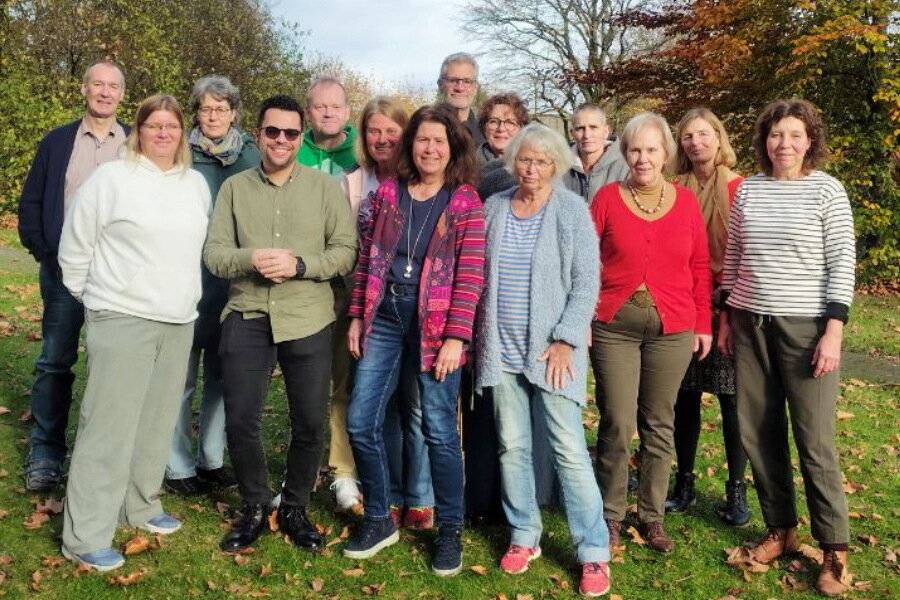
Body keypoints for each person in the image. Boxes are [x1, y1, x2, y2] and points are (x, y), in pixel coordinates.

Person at [58, 94, 210, 571]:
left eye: (171, 126)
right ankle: (85, 535)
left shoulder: (195, 185)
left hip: (178, 318)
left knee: (156, 420)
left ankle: (140, 504)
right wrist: (101, 301)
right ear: (138, 130)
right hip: (121, 315)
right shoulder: (111, 180)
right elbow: (75, 246)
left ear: (181, 133)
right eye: (153, 125)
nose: (162, 133)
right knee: (108, 426)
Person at [203, 95, 357, 554]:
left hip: (307, 315)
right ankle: (253, 505)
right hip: (248, 312)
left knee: (310, 420)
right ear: (259, 133)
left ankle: (295, 506)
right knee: (242, 418)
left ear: (301, 135)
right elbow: (213, 254)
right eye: (273, 132)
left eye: (291, 133)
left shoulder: (326, 189)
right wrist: (251, 259)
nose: (282, 141)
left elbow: (346, 252)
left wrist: (301, 264)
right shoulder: (234, 189)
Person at [718, 99, 855, 597]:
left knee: (814, 440)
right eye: (776, 135)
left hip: (806, 329)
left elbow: (842, 263)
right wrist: (728, 316)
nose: (785, 144)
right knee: (759, 430)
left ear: (809, 140)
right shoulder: (749, 191)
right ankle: (781, 529)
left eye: (795, 135)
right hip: (751, 324)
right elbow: (734, 257)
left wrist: (834, 330)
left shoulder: (827, 191)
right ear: (764, 141)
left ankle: (834, 549)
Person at [343, 104, 485, 577]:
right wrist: (358, 317)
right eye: (423, 140)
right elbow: (368, 261)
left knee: (439, 430)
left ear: (452, 149)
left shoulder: (464, 203)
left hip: (436, 326)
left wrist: (456, 338)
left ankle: (449, 531)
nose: (430, 148)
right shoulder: (387, 194)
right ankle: (381, 517)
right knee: (362, 418)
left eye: (439, 142)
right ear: (412, 145)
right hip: (384, 316)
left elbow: (470, 278)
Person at [476, 123, 610, 596]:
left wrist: (565, 339)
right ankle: (523, 534)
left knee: (569, 450)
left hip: (554, 353)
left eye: (542, 161)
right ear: (513, 161)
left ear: (556, 165)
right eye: (525, 160)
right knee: (512, 447)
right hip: (501, 349)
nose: (532, 169)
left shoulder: (572, 211)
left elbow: (586, 284)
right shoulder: (494, 207)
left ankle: (593, 550)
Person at [591, 112, 712, 554]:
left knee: (659, 423)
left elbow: (699, 266)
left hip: (672, 329)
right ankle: (611, 514)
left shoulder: (685, 203)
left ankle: (653, 515)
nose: (643, 158)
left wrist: (703, 324)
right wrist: (584, 317)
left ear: (666, 154)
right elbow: (585, 262)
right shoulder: (606, 198)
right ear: (625, 153)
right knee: (618, 423)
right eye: (635, 150)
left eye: (652, 150)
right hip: (613, 328)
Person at [17, 61, 128, 492]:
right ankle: (45, 452)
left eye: (113, 86)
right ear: (85, 89)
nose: (104, 92)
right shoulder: (57, 142)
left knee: (110, 367)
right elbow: (32, 202)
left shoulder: (134, 145)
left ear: (122, 94)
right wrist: (45, 251)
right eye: (97, 84)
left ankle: (97, 456)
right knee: (55, 361)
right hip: (63, 273)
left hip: (116, 278)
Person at [334, 97, 435, 527]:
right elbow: (352, 250)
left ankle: (420, 494)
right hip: (367, 304)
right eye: (373, 131)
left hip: (417, 307)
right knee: (372, 402)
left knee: (414, 404)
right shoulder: (353, 183)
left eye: (391, 131)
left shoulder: (422, 181)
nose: (382, 139)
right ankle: (385, 487)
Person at [164, 74, 261, 497]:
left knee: (223, 378)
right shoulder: (180, 154)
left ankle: (212, 458)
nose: (214, 116)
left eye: (222, 108)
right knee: (180, 378)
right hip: (185, 278)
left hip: (233, 282)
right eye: (206, 108)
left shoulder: (252, 156)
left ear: (235, 113)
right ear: (196, 112)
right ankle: (177, 463)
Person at [664, 108, 748, 525]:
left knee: (733, 400)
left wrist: (731, 304)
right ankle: (685, 481)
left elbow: (748, 250)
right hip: (685, 302)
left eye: (703, 134)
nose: (696, 143)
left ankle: (737, 489)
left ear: (719, 136)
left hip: (728, 304)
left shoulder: (739, 187)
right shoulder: (672, 187)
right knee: (684, 397)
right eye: (687, 137)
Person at [562, 103, 629, 204]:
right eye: (580, 128)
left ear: (606, 131)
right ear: (572, 133)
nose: (587, 135)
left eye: (593, 127)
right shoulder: (559, 168)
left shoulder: (626, 167)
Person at [475, 92, 529, 200]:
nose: (501, 129)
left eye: (510, 122)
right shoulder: (466, 167)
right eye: (493, 121)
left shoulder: (535, 167)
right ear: (484, 127)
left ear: (521, 128)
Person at [298, 76, 357, 175]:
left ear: (347, 113)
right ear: (307, 114)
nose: (329, 114)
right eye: (320, 107)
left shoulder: (365, 147)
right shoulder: (294, 149)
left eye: (336, 107)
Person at [437, 52, 485, 147]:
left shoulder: (486, 134)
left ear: (476, 88)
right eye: (453, 80)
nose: (460, 88)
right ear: (440, 85)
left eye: (467, 81)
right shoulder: (424, 128)